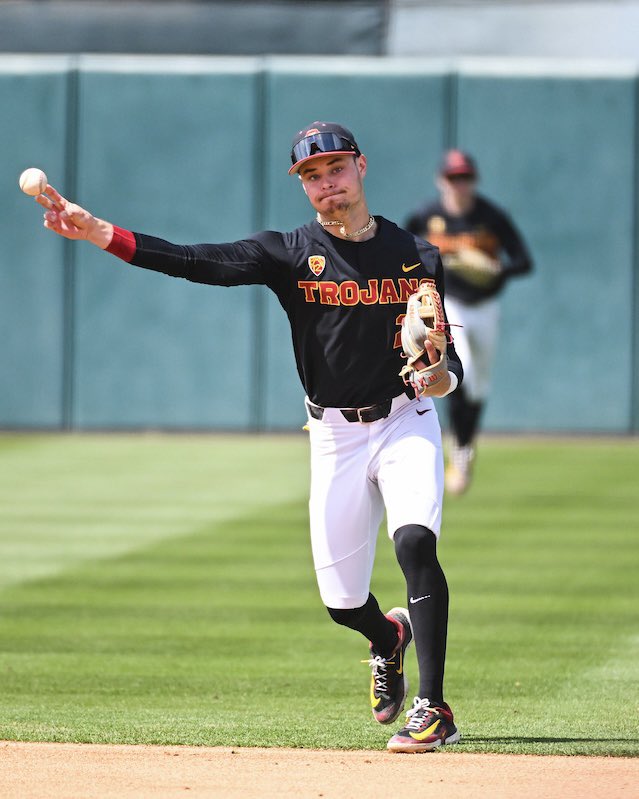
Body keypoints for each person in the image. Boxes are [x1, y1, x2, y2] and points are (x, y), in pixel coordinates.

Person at [34, 121, 463, 753]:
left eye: (336, 168)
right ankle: (386, 636)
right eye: (312, 176)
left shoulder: (417, 256)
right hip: (335, 435)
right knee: (343, 603)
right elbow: (194, 261)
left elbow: (451, 370)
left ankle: (434, 708)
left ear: (361, 167)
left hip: (406, 419)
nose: (327, 183)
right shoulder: (288, 252)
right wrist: (99, 231)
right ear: (303, 186)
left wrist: (436, 375)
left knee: (415, 542)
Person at [405, 150, 533, 495]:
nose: (459, 184)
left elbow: (523, 261)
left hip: (486, 306)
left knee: (480, 386)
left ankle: (465, 443)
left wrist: (496, 269)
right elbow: (399, 253)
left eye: (465, 177)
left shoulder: (491, 216)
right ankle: (459, 453)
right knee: (465, 373)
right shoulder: (425, 215)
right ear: (441, 180)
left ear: (474, 180)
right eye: (453, 178)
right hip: (450, 305)